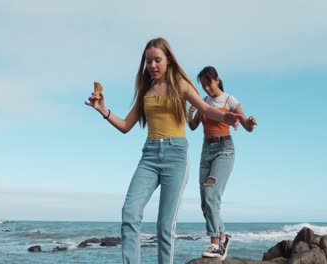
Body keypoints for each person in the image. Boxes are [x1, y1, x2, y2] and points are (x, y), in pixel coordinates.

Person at [85, 38, 241, 264]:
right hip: (148, 156)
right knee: (130, 213)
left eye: (157, 60)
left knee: (164, 225)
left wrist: (226, 116)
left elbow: (206, 108)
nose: (153, 65)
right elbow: (126, 126)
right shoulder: (145, 90)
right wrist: (103, 110)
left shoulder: (180, 84)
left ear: (168, 60)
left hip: (176, 155)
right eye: (148, 61)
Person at [187, 66, 257, 260]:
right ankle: (223, 237)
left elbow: (245, 126)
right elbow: (193, 127)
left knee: (211, 194)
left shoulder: (229, 100)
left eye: (208, 83)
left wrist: (249, 123)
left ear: (217, 79)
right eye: (203, 86)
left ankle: (215, 243)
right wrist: (189, 113)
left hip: (224, 150)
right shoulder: (204, 102)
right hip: (205, 151)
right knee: (206, 201)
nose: (207, 89)